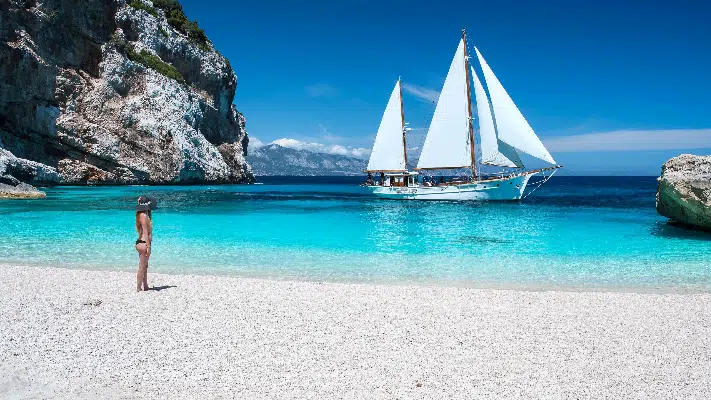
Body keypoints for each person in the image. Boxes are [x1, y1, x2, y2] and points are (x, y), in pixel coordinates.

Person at [135, 196, 156, 292]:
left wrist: (139, 202)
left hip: (143, 242)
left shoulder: (144, 214)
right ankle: (138, 288)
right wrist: (149, 246)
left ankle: (146, 286)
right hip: (143, 243)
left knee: (145, 266)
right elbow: (145, 232)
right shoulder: (143, 216)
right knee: (142, 266)